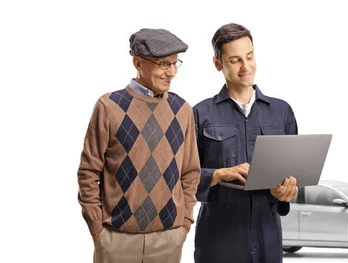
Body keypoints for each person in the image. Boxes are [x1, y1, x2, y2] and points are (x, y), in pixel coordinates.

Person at [77, 28, 201, 263]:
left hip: (168, 240)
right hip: (116, 239)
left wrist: (183, 225)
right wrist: (97, 229)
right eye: (164, 64)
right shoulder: (108, 106)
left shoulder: (182, 110)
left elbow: (190, 172)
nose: (172, 72)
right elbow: (88, 172)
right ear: (138, 63)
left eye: (176, 64)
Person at [192, 23, 299, 263]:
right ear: (218, 64)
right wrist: (219, 174)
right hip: (218, 237)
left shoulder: (281, 112)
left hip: (267, 236)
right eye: (235, 60)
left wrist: (286, 191)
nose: (246, 66)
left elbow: (293, 174)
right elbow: (182, 177)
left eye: (250, 57)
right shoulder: (200, 114)